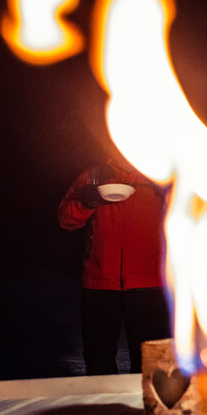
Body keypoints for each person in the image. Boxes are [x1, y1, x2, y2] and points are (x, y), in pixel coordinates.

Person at [57, 153, 171, 375]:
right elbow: (65, 220)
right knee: (98, 360)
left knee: (151, 364)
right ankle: (101, 409)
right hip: (99, 282)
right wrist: (85, 201)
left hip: (149, 283)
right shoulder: (94, 177)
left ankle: (145, 409)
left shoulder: (160, 178)